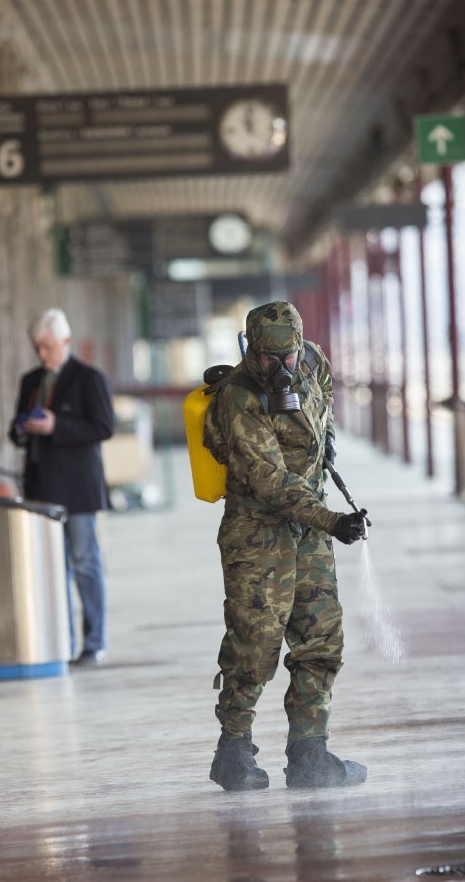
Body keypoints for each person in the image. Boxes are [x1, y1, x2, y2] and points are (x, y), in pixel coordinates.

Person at [203, 301, 368, 790]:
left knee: (320, 638)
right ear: (251, 350)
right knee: (254, 644)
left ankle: (310, 755)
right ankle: (232, 753)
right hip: (258, 534)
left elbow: (325, 396)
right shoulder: (238, 398)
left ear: (299, 346)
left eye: (287, 358)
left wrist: (328, 440)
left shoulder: (312, 361)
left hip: (311, 528)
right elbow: (270, 481)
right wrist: (332, 520)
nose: (280, 369)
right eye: (268, 359)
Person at [9, 308, 115, 666]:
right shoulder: (30, 381)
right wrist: (22, 428)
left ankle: (93, 641)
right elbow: (14, 430)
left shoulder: (89, 379)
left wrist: (57, 425)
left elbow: (103, 428)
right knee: (52, 569)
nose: (42, 354)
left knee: (85, 563)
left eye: (47, 346)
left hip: (78, 489)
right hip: (41, 488)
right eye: (37, 347)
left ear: (66, 342)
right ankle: (60, 643)